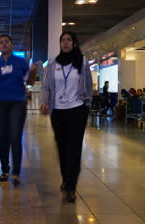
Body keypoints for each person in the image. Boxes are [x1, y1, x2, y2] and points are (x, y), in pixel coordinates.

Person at [40, 31, 93, 203]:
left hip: (77, 110)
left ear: (74, 43)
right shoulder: (54, 64)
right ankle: (65, 178)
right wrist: (44, 103)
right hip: (58, 112)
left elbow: (88, 86)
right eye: (63, 40)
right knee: (62, 148)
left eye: (69, 40)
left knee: (74, 148)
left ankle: (71, 187)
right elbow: (46, 86)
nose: (66, 43)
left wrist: (87, 106)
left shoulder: (82, 62)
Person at [0, 34, 37, 186]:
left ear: (12, 45)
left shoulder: (20, 62)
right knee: (3, 137)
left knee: (15, 136)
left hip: (17, 103)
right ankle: (5, 169)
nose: (4, 44)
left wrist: (33, 71)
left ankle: (16, 173)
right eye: (1, 42)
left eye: (7, 41)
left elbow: (30, 81)